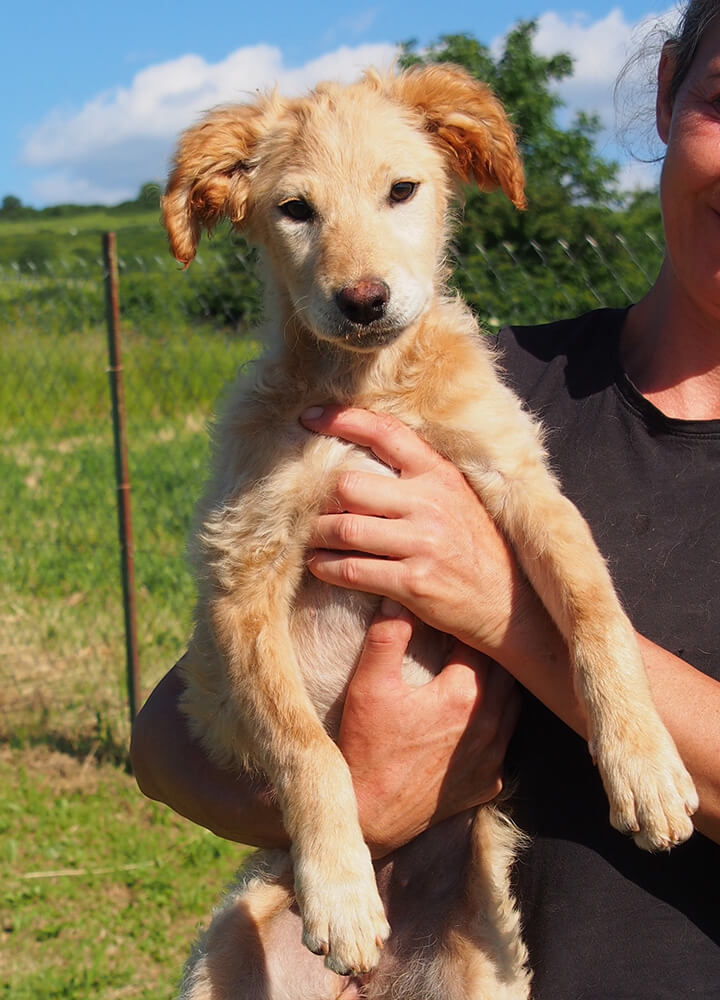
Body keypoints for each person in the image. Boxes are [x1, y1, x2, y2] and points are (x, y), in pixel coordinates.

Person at [131, 1, 720, 995]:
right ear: (668, 92)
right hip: (348, 908)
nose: (357, 274)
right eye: (299, 209)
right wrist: (345, 799)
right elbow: (167, 740)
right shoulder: (512, 380)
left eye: (400, 191)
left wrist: (505, 610)